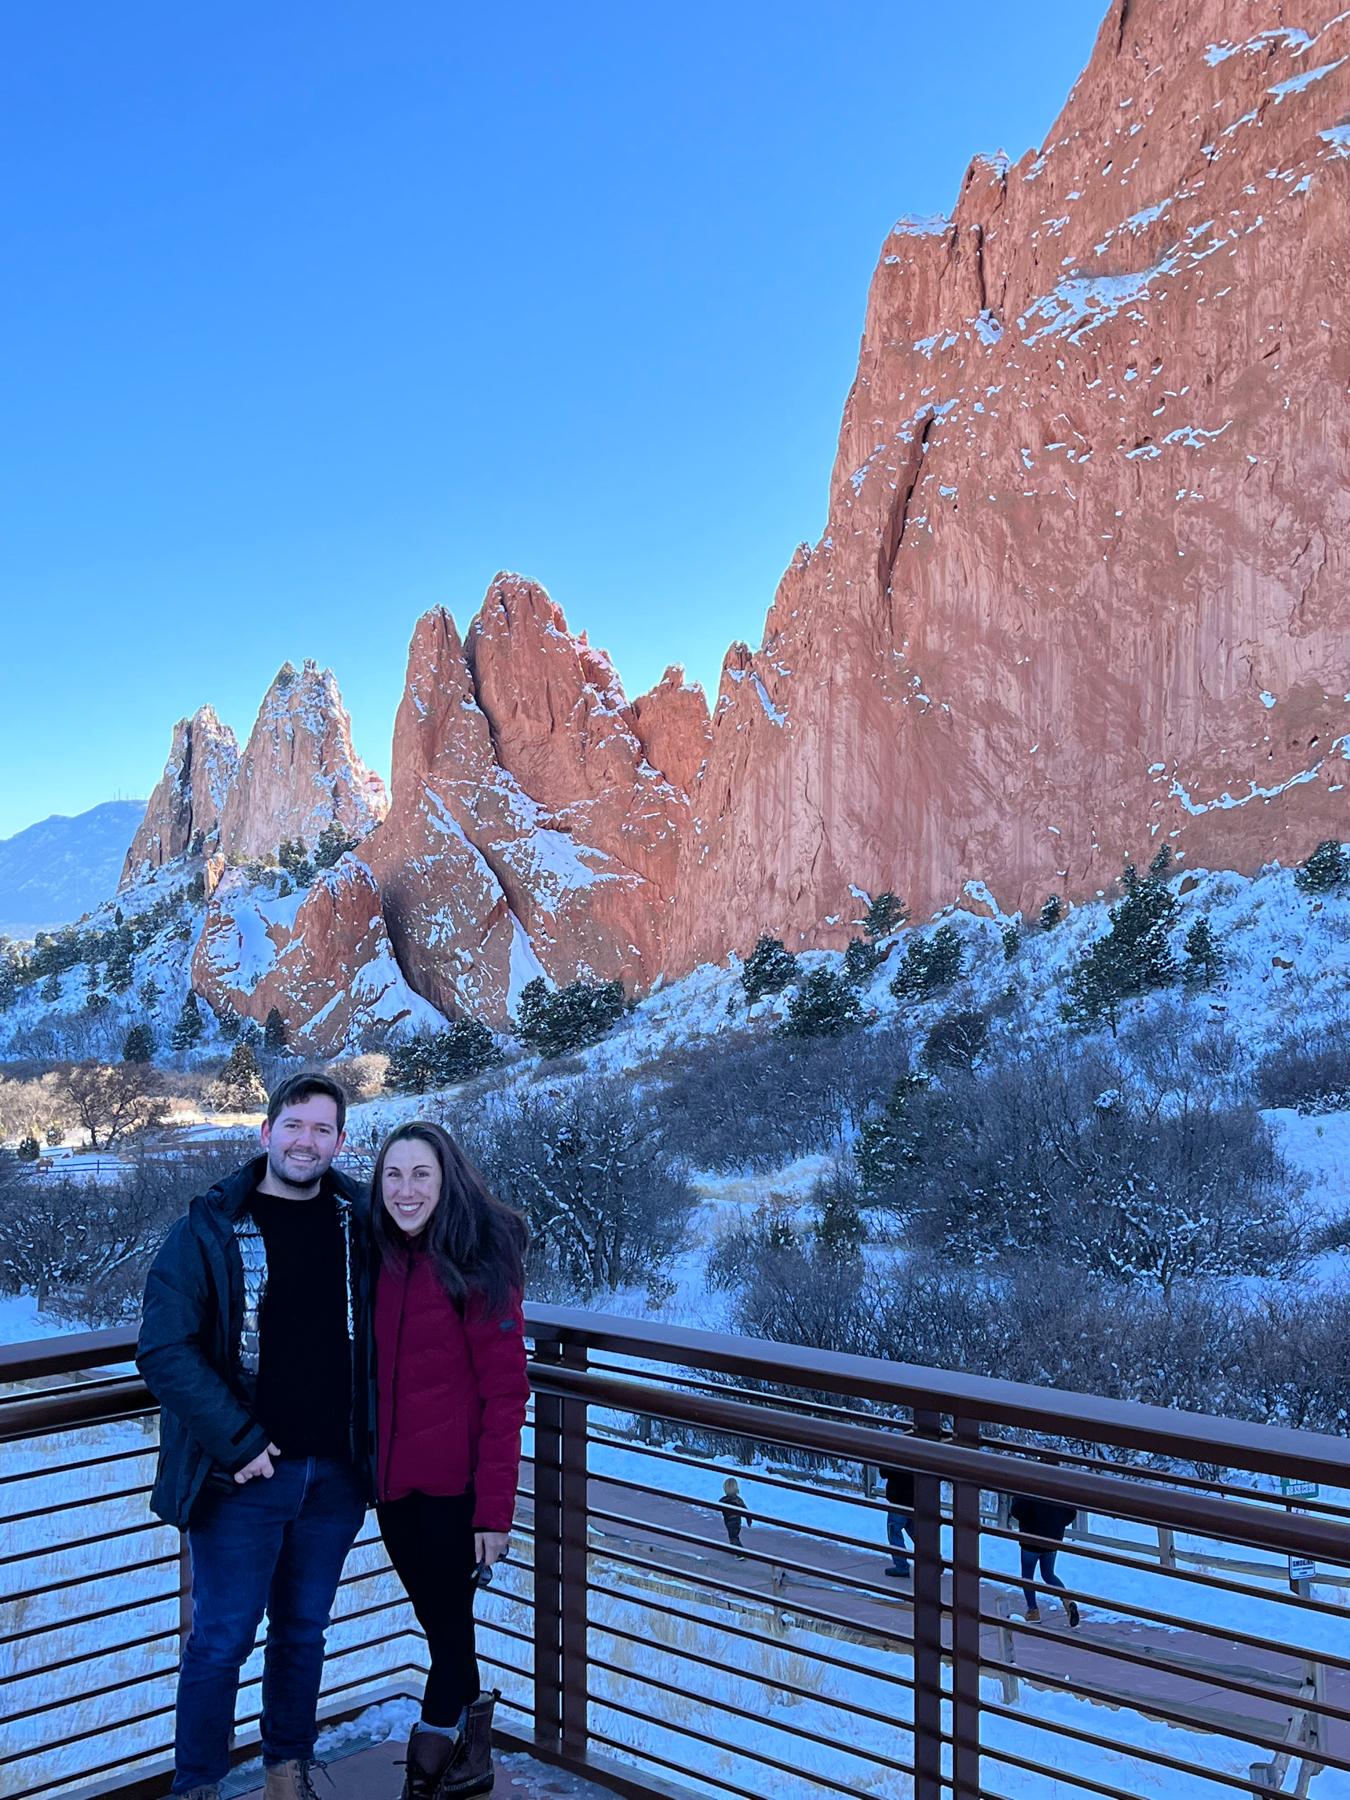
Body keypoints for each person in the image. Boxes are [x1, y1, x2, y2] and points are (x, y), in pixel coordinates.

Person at [137, 1073, 371, 1800]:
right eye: (293, 1125)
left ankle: (285, 1775)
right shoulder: (207, 1229)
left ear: (340, 1141)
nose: (306, 1141)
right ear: (265, 1133)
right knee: (220, 1643)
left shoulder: (360, 1223)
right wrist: (239, 1443)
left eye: (321, 1129)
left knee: (303, 1634)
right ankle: (198, 1785)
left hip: (335, 1476)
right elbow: (164, 1350)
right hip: (242, 1478)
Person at [372, 1121, 530, 1800]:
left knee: (448, 1630)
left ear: (448, 1179)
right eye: (393, 1176)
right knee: (443, 1624)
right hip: (391, 1489)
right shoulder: (375, 1254)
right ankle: (468, 1749)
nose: (406, 1191)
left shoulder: (477, 1259)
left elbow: (505, 1394)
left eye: (421, 1175)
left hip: (455, 1494)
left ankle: (433, 1760)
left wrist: (494, 1512)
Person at [1009, 1493, 1081, 1626]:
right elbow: (1071, 1512)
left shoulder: (1029, 1486)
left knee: (1027, 1576)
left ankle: (1033, 1611)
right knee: (1048, 1574)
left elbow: (1017, 1510)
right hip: (1052, 1539)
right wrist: (1058, 1523)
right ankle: (1067, 1600)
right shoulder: (1058, 1485)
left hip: (1031, 1539)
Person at [879, 1464, 915, 1578]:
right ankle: (932, 1563)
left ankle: (901, 1566)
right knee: (919, 1535)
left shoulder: (894, 1453)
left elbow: (884, 1472)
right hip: (914, 1500)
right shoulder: (917, 1450)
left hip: (898, 1501)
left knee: (894, 1534)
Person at [718, 1477, 753, 1556]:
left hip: (730, 1522)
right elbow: (745, 1510)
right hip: (737, 1521)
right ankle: (734, 1548)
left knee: (733, 1537)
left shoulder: (724, 1500)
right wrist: (749, 1519)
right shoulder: (738, 1500)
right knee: (733, 1535)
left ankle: (740, 1553)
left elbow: (717, 1507)